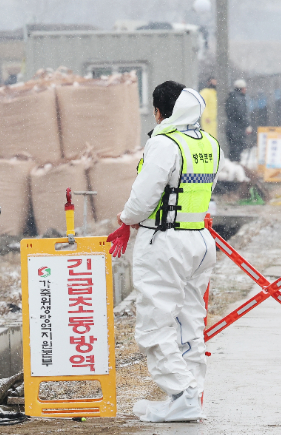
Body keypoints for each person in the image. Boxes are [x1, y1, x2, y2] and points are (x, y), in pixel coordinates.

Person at [117, 80, 220, 422]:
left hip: (165, 242)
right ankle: (189, 394)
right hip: (200, 242)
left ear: (160, 111)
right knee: (188, 321)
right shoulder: (209, 144)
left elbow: (144, 198)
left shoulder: (164, 143)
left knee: (154, 323)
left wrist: (125, 218)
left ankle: (181, 393)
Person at [225, 79, 252, 162]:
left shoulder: (230, 97)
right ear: (241, 89)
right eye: (244, 88)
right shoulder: (240, 99)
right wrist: (247, 125)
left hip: (230, 127)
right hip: (237, 129)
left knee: (233, 149)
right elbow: (242, 114)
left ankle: (232, 166)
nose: (245, 89)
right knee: (238, 149)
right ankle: (236, 167)